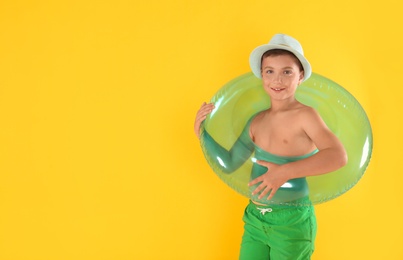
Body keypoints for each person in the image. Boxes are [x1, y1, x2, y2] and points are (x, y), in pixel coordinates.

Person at [194, 34, 347, 260]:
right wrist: (202, 135)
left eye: (287, 72)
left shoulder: (305, 116)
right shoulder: (257, 120)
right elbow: (229, 163)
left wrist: (284, 172)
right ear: (261, 75)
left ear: (300, 76)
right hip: (255, 217)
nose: (278, 80)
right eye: (270, 71)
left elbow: (338, 156)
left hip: (291, 219)